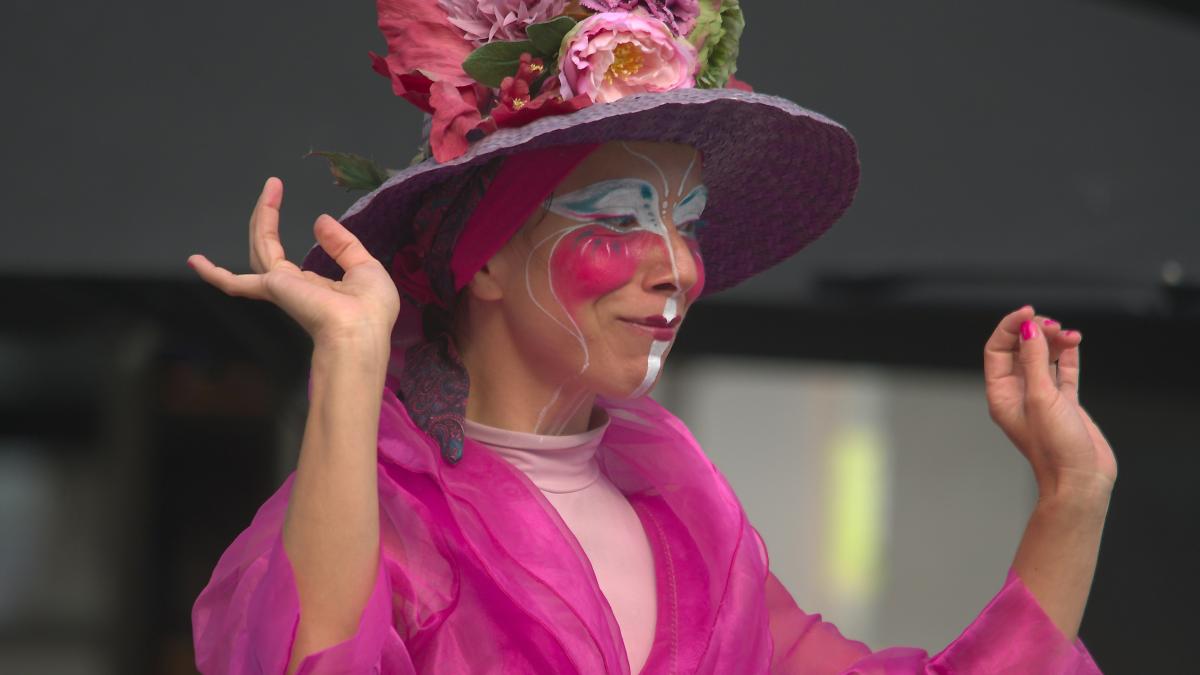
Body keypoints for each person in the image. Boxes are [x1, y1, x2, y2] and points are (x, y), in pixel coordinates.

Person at [188, 2, 1114, 673]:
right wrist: (350, 368)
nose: (680, 266)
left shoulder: (688, 524)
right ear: (487, 261)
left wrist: (1073, 497)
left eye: (687, 222)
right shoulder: (386, 520)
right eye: (621, 216)